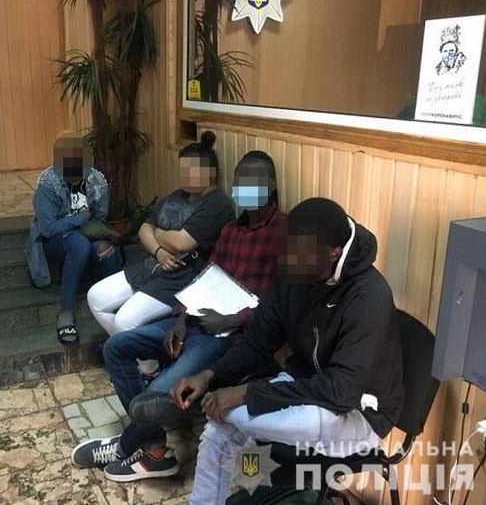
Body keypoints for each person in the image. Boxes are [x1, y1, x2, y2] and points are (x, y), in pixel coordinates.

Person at [169, 197, 405, 505]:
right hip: (306, 385)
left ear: (333, 253)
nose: (288, 260)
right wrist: (210, 375)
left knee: (232, 412)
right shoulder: (294, 270)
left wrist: (248, 393)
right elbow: (259, 340)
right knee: (219, 429)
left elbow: (342, 390)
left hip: (358, 412)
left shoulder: (369, 296)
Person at [71, 151, 288, 482]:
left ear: (269, 186)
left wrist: (235, 320)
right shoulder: (231, 230)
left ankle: (128, 447)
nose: (243, 188)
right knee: (116, 347)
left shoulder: (284, 232)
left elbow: (282, 301)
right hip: (198, 321)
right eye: (239, 182)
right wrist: (182, 318)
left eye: (251, 182)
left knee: (157, 393)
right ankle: (154, 446)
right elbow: (207, 275)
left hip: (232, 336)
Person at [87, 131, 235, 339]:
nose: (184, 176)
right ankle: (126, 350)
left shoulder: (217, 203)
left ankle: (137, 356)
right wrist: (158, 251)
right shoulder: (177, 195)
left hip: (182, 278)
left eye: (191, 170)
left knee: (124, 320)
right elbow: (143, 229)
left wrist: (157, 231)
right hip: (151, 265)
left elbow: (181, 244)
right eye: (182, 170)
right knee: (95, 297)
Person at [25, 130, 123, 345]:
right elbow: (48, 229)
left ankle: (122, 306)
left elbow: (99, 219)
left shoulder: (97, 181)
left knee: (105, 249)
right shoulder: (49, 184)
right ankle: (66, 312)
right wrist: (81, 217)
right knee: (79, 244)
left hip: (86, 233)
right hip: (53, 241)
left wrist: (86, 225)